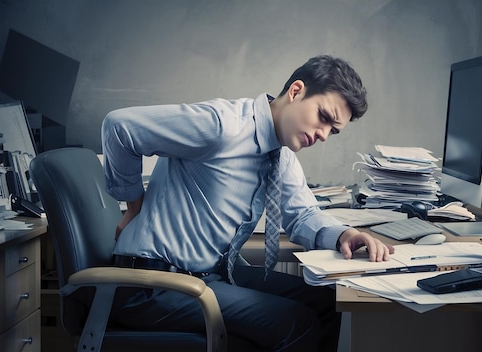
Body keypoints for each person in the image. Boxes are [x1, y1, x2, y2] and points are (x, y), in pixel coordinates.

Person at [102, 55, 394, 351]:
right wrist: (133, 204)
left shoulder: (282, 157)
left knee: (325, 302)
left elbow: (302, 216)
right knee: (295, 323)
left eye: (333, 130)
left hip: (206, 277)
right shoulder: (223, 126)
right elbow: (119, 127)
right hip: (150, 285)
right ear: (296, 91)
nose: (323, 134)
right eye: (323, 117)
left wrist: (344, 235)